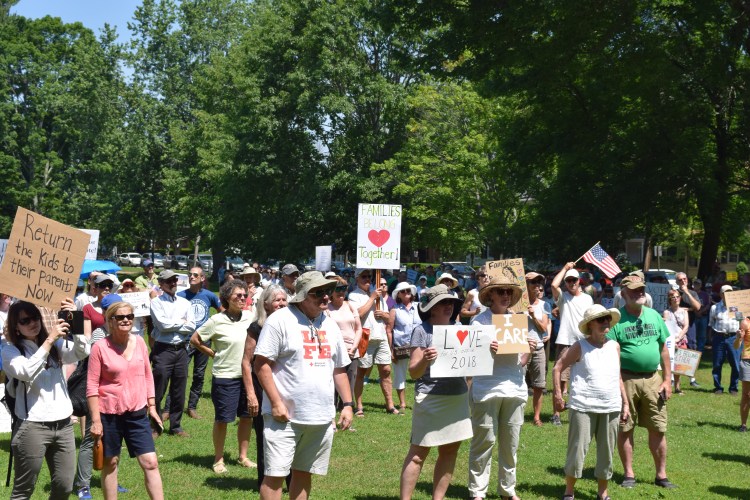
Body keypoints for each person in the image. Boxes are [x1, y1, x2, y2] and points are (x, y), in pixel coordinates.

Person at [254, 272, 353, 500]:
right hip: (284, 416)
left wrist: (347, 404)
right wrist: (277, 403)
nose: (326, 296)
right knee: (275, 475)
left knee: (304, 472)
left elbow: (339, 368)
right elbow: (261, 364)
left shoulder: (329, 324)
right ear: (301, 296)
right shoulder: (279, 321)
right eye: (318, 292)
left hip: (320, 415)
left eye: (327, 291)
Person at [2, 300, 90, 499]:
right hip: (32, 426)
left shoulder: (56, 345)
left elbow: (82, 352)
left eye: (35, 318)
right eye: (25, 320)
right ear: (16, 325)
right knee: (23, 490)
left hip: (64, 425)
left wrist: (75, 317)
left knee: (64, 486)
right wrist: (49, 340)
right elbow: (25, 372)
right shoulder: (10, 351)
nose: (33, 323)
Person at [399, 284, 472, 500]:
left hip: (457, 398)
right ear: (432, 308)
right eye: (443, 303)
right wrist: (425, 359)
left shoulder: (459, 329)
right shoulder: (422, 330)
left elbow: (472, 365)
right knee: (418, 455)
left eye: (450, 302)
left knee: (449, 452)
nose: (448, 306)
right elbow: (413, 372)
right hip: (431, 398)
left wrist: (489, 351)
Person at [606, 274, 676, 489]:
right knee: (626, 427)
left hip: (653, 380)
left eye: (642, 289)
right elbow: (611, 356)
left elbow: (663, 349)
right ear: (624, 294)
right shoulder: (616, 322)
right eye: (635, 290)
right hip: (626, 380)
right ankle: (629, 474)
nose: (640, 293)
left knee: (658, 427)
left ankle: (661, 475)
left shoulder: (654, 316)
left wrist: (667, 380)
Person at [87, 302, 164, 499]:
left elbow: (148, 374)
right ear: (110, 321)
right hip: (109, 414)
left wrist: (152, 406)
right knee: (110, 463)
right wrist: (96, 421)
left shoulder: (139, 342)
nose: (126, 320)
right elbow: (92, 386)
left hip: (137, 412)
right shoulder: (100, 347)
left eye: (129, 316)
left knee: (150, 462)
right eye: (120, 317)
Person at [468, 276, 534, 500]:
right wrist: (488, 349)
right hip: (486, 388)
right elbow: (471, 359)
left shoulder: (518, 320)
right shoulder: (479, 322)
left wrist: (530, 349)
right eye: (501, 291)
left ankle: (508, 490)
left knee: (510, 443)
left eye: (508, 292)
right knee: (484, 441)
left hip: (514, 387)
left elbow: (522, 361)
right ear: (490, 296)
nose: (506, 295)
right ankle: (478, 491)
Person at [553, 305, 628, 500]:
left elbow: (617, 376)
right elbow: (558, 367)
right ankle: (569, 491)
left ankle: (603, 493)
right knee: (577, 449)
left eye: (607, 319)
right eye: (601, 319)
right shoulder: (580, 346)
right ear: (590, 324)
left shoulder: (615, 346)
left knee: (607, 451)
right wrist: (558, 395)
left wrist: (625, 403)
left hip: (611, 406)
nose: (605, 323)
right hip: (583, 406)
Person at [190, 279, 256, 474]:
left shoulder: (250, 318)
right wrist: (212, 353)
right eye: (238, 295)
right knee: (223, 419)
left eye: (245, 295)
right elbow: (195, 339)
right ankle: (218, 459)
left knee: (246, 417)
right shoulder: (216, 320)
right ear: (227, 297)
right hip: (225, 376)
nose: (242, 298)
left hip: (248, 376)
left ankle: (243, 456)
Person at [242, 284, 288, 488]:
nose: (281, 303)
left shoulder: (292, 324)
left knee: (289, 433)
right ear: (266, 304)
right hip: (262, 388)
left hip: (286, 387)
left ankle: (291, 480)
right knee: (265, 435)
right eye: (277, 300)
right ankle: (265, 481)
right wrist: (251, 394)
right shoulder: (257, 327)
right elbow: (246, 362)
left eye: (284, 299)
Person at [150, 269, 196, 437]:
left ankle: (176, 426)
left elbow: (192, 326)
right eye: (169, 281)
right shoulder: (156, 302)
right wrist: (181, 323)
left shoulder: (185, 303)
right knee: (158, 389)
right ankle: (155, 426)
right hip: (163, 349)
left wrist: (174, 324)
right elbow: (162, 325)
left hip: (182, 350)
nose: (173, 283)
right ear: (161, 284)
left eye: (175, 280)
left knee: (179, 389)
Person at [349, 269, 399, 415]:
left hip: (381, 335)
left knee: (386, 370)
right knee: (362, 372)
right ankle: (359, 406)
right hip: (365, 335)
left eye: (369, 276)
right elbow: (357, 314)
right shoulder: (354, 295)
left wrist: (384, 314)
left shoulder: (379, 295)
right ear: (357, 279)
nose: (367, 279)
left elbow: (389, 318)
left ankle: (390, 404)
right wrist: (371, 298)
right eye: (363, 277)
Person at [551, 263, 594, 425]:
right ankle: (556, 414)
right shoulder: (563, 297)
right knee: (559, 378)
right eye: (568, 280)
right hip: (565, 342)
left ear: (579, 281)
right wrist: (565, 268)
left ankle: (581, 408)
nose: (571, 283)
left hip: (584, 342)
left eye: (574, 280)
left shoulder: (588, 298)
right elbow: (554, 284)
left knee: (584, 376)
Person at [178, 267, 222, 420]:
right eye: (190, 274)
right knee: (180, 374)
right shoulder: (180, 295)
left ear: (203, 278)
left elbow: (222, 312)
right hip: (186, 340)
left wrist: (214, 327)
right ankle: (171, 407)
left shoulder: (209, 296)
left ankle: (192, 407)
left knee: (199, 374)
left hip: (203, 341)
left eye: (195, 275)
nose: (191, 277)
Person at [326, 276, 362, 413]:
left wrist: (354, 348)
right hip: (334, 352)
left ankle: (346, 413)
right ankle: (332, 415)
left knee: (349, 384)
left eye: (343, 289)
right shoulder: (326, 308)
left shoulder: (351, 305)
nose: (341, 292)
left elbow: (358, 328)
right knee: (333, 385)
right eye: (337, 289)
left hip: (352, 351)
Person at [388, 281, 421, 412]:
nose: (406, 293)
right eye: (403, 291)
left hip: (418, 346)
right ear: (398, 295)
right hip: (400, 346)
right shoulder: (394, 310)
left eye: (408, 290)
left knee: (421, 373)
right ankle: (402, 403)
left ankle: (420, 400)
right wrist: (391, 350)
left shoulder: (420, 307)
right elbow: (389, 330)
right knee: (399, 374)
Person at [525, 271, 550, 426]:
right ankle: (516, 415)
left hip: (539, 348)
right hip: (520, 348)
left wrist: (533, 316)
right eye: (533, 282)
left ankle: (536, 417)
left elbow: (543, 329)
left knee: (539, 385)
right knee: (518, 383)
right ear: (525, 285)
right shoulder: (514, 304)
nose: (537, 286)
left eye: (539, 283)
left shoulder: (544, 305)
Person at [710, 284, 741, 395]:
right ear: (721, 294)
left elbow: (742, 322)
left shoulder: (737, 307)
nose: (727, 294)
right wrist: (712, 338)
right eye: (725, 292)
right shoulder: (715, 307)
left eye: (730, 292)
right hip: (719, 337)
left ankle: (733, 388)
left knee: (736, 364)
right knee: (717, 364)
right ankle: (718, 387)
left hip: (733, 337)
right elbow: (711, 323)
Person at [663, 289, 689, 394]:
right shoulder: (666, 312)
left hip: (681, 340)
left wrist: (679, 338)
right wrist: (673, 340)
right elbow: (666, 327)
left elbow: (686, 326)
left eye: (677, 296)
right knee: (668, 363)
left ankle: (677, 387)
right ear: (669, 299)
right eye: (673, 297)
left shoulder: (684, 311)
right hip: (670, 342)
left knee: (679, 365)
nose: (676, 299)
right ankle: (667, 384)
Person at [734, 316, 750, 432]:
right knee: (746, 394)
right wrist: (738, 337)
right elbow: (736, 346)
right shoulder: (745, 322)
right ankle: (743, 425)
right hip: (747, 360)